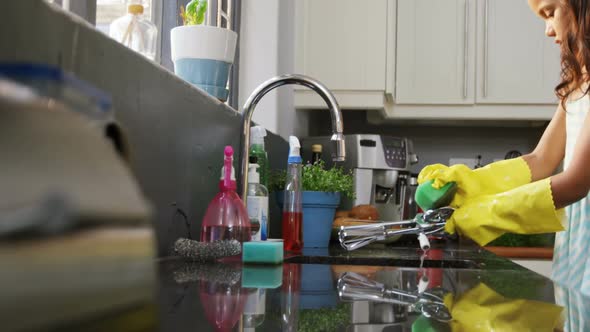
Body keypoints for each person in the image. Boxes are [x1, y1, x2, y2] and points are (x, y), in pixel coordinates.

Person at [418, 0, 590, 296]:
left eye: (550, 12)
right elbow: (541, 159)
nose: (548, 30)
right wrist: (468, 183)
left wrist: (486, 214)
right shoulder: (579, 84)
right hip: (575, 254)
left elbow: (576, 182)